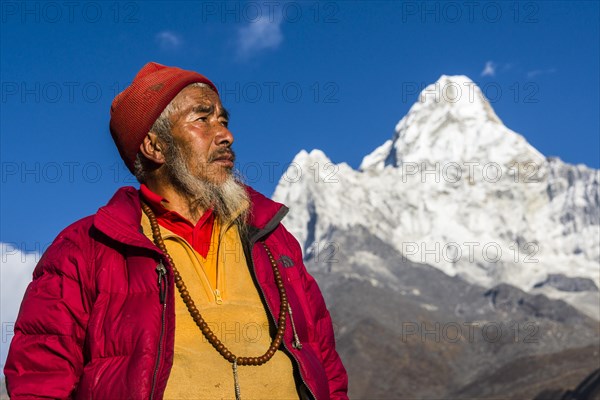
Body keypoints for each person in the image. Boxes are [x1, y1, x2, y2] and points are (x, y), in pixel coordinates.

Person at [4, 62, 348, 400]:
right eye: (202, 119)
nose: (226, 135)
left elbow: (325, 363)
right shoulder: (83, 249)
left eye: (223, 120)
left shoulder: (272, 239)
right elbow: (39, 379)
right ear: (154, 146)